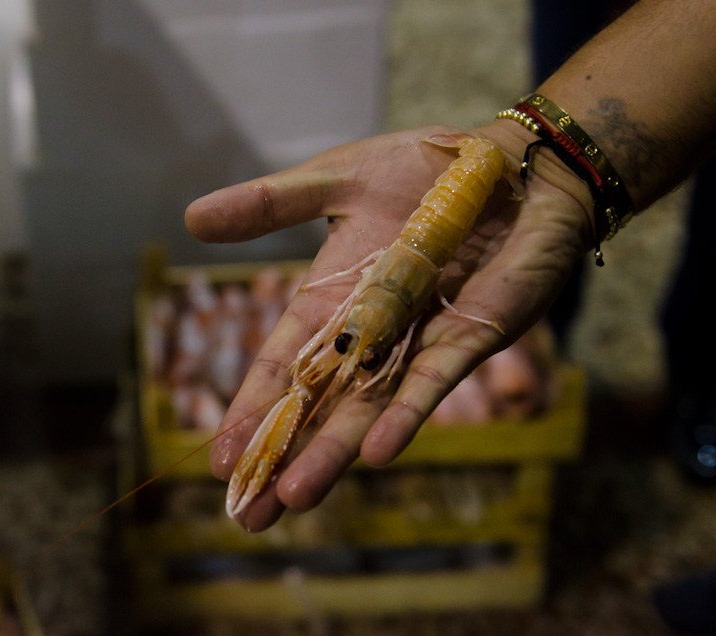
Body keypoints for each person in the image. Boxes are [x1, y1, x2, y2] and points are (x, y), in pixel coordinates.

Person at [186, 0, 716, 532]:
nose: (350, 349)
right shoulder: (370, 298)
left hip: (459, 204)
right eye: (356, 346)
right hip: (456, 208)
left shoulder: (377, 292)